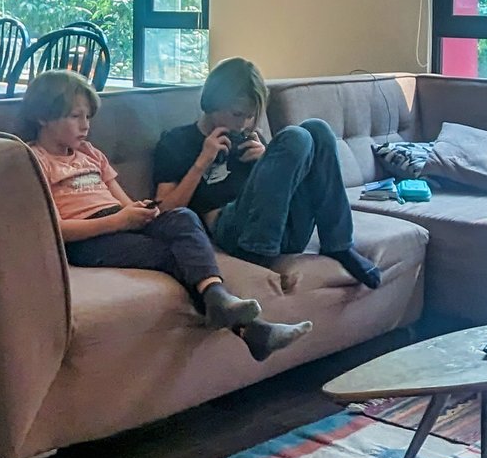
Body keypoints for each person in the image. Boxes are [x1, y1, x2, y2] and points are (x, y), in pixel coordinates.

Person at [20, 69, 311, 362]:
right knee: (175, 256)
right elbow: (53, 229)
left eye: (88, 117)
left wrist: (140, 212)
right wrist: (117, 222)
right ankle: (249, 326)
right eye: (75, 116)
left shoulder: (90, 154)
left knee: (183, 216)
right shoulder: (33, 160)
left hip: (119, 221)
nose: (85, 125)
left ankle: (223, 303)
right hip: (89, 238)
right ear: (43, 117)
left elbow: (122, 202)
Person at [152, 58, 383, 288]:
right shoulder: (177, 142)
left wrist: (266, 159)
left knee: (317, 129)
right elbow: (164, 212)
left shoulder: (250, 138)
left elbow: (279, 190)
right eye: (237, 114)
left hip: (286, 230)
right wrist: (202, 162)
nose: (243, 124)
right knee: (295, 136)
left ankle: (338, 245)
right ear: (212, 103)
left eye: (250, 116)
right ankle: (256, 251)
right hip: (234, 233)